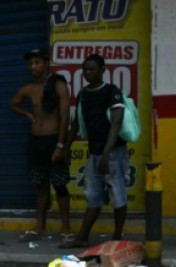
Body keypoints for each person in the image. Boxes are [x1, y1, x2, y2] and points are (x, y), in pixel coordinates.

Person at [59, 54, 127, 249]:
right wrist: (66, 146)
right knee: (93, 195)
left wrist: (107, 153)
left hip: (113, 152)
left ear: (102, 70)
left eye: (92, 69)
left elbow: (116, 123)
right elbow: (76, 124)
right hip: (95, 152)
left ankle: (117, 237)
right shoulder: (84, 94)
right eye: (85, 70)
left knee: (118, 194)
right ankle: (82, 236)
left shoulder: (112, 92)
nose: (88, 73)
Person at [9, 48, 72, 243]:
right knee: (40, 185)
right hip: (36, 142)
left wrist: (61, 145)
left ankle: (66, 228)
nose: (33, 67)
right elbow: (13, 103)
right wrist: (28, 115)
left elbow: (65, 117)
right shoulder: (29, 89)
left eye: (37, 62)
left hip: (54, 140)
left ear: (46, 63)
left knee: (60, 186)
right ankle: (40, 226)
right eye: (30, 63)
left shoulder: (58, 85)